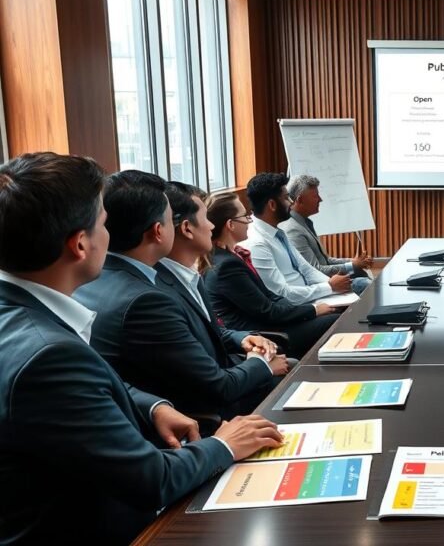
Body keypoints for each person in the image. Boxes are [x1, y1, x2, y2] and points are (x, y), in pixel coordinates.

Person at [0, 153, 283, 544]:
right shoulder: (48, 355)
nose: (110, 236)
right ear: (81, 244)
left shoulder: (22, 314)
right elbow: (152, 480)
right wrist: (224, 445)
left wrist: (152, 406)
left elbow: (92, 384)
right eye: (103, 223)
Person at [75, 173, 286, 421]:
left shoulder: (104, 278)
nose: (210, 225)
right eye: (169, 219)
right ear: (158, 231)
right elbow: (217, 388)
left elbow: (200, 332)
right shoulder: (146, 300)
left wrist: (243, 339)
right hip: (201, 417)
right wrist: (260, 364)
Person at [203, 192, 339, 357]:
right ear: (230, 225)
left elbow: (270, 297)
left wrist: (309, 309)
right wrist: (313, 310)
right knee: (335, 321)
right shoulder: (226, 266)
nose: (248, 221)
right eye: (245, 217)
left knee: (333, 314)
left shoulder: (232, 256)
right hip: (264, 335)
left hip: (270, 324)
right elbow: (267, 311)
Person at [241, 172, 354, 305]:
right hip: (297, 307)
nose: (291, 202)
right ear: (272, 205)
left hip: (311, 296)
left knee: (356, 293)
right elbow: (281, 294)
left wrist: (332, 285)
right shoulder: (257, 243)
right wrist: (329, 287)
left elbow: (306, 269)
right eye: (286, 198)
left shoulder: (278, 232)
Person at [280, 174, 371, 294]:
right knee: (366, 284)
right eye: (315, 196)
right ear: (300, 199)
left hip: (328, 279)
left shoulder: (303, 222)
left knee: (361, 273)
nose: (320, 199)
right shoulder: (293, 230)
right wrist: (352, 265)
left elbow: (326, 260)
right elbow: (315, 270)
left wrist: (353, 262)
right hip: (321, 286)